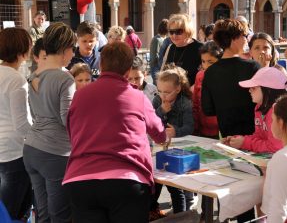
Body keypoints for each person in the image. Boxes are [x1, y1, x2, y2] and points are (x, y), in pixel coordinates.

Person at [63, 42, 167, 223]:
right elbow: (159, 134)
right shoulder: (137, 97)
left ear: (101, 65)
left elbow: (72, 133)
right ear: (128, 70)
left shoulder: (80, 95)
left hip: (82, 180)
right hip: (127, 181)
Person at [201, 18, 260, 222]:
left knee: (229, 190)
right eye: (244, 35)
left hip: (227, 138)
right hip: (255, 139)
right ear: (234, 39)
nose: (246, 39)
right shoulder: (252, 67)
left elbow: (208, 110)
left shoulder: (210, 73)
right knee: (251, 195)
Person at [23, 22, 77, 223]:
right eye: (72, 49)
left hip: (32, 148)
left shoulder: (34, 75)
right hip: (55, 153)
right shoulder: (65, 79)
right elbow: (67, 119)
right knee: (60, 215)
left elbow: (35, 114)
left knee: (43, 213)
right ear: (64, 49)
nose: (73, 53)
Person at [0, 27, 33, 221]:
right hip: (14, 151)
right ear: (23, 49)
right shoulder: (16, 79)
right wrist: (39, 137)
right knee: (15, 211)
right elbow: (22, 123)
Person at [152, 65, 194, 215]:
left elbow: (189, 127)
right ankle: (152, 211)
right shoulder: (158, 101)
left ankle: (180, 216)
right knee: (154, 183)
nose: (163, 96)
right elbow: (150, 122)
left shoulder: (185, 103)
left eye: (167, 92)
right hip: (159, 149)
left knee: (175, 187)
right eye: (160, 91)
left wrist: (176, 131)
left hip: (179, 151)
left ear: (177, 89)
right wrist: (162, 111)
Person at [223, 67, 287, 153]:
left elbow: (275, 147)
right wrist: (239, 140)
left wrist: (244, 142)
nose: (249, 90)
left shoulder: (278, 111)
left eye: (253, 88)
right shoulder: (259, 107)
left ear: (267, 90)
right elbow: (259, 136)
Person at [261, 95, 287, 222]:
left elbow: (278, 209)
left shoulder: (283, 158)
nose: (271, 124)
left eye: (272, 120)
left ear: (281, 122)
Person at [162, 13, 203, 86]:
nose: (174, 35)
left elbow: (204, 75)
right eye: (171, 32)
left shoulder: (200, 48)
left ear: (188, 31)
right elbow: (163, 72)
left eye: (178, 32)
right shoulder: (170, 48)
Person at [193, 41, 223, 138]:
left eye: (211, 62)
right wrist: (196, 127)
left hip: (221, 132)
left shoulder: (225, 78)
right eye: (203, 61)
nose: (206, 66)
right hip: (202, 131)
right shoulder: (199, 76)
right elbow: (195, 104)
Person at [149, 19, 168, 85]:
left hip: (161, 67)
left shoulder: (165, 39)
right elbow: (154, 56)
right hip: (156, 68)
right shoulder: (156, 39)